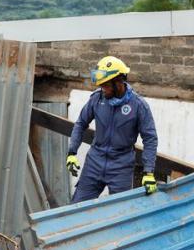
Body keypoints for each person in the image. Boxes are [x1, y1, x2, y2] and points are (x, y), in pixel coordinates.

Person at [66, 56, 158, 203]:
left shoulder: (139, 105)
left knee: (120, 212)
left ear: (119, 82)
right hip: (94, 162)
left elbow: (150, 138)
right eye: (101, 86)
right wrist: (72, 152)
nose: (103, 89)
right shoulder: (97, 99)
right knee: (76, 208)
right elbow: (80, 123)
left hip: (121, 166)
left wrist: (149, 172)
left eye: (106, 86)